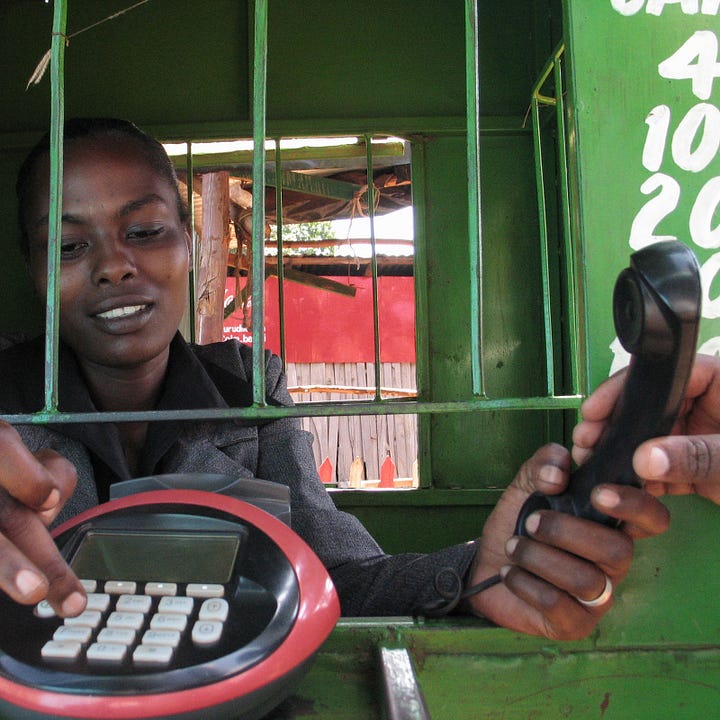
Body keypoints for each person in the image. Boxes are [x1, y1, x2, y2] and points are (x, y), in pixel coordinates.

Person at [0, 117, 709, 642]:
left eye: (145, 231)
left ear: (189, 240)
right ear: (32, 268)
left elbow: (333, 576)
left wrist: (476, 574)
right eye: (68, 245)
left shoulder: (249, 390)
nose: (114, 265)